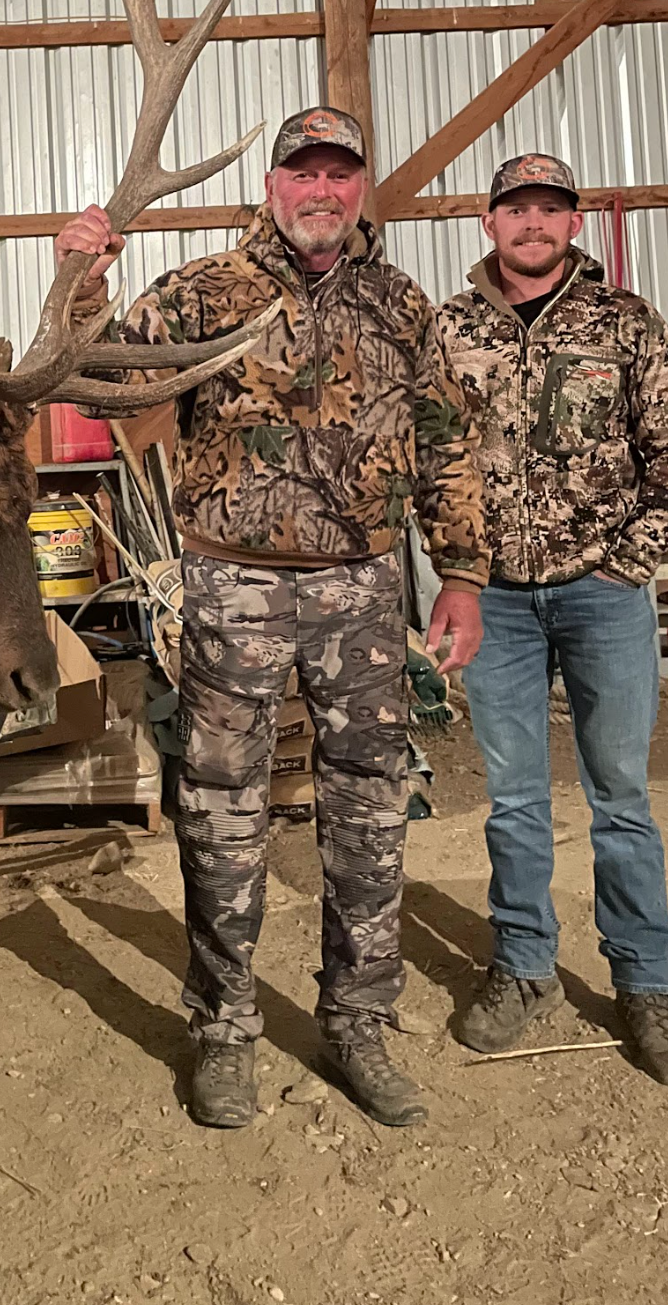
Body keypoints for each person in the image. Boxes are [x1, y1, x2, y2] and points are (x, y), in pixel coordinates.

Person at [56, 106, 487, 1130]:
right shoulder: (206, 291)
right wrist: (81, 281)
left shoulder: (400, 304)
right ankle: (223, 1028)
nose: (322, 191)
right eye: (305, 174)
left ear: (358, 188)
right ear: (273, 186)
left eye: (341, 174)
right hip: (229, 590)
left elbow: (446, 444)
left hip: (361, 590)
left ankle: (357, 1025)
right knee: (220, 810)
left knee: (370, 812)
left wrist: (461, 575)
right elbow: (99, 384)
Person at [438, 154, 668, 1079]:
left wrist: (629, 565)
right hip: (493, 596)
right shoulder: (448, 331)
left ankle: (646, 980)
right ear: (488, 223)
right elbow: (431, 460)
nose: (533, 224)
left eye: (550, 210)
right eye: (516, 209)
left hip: (602, 592)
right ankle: (526, 968)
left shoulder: (627, 324)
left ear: (574, 224)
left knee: (620, 798)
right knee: (516, 799)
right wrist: (452, 568)